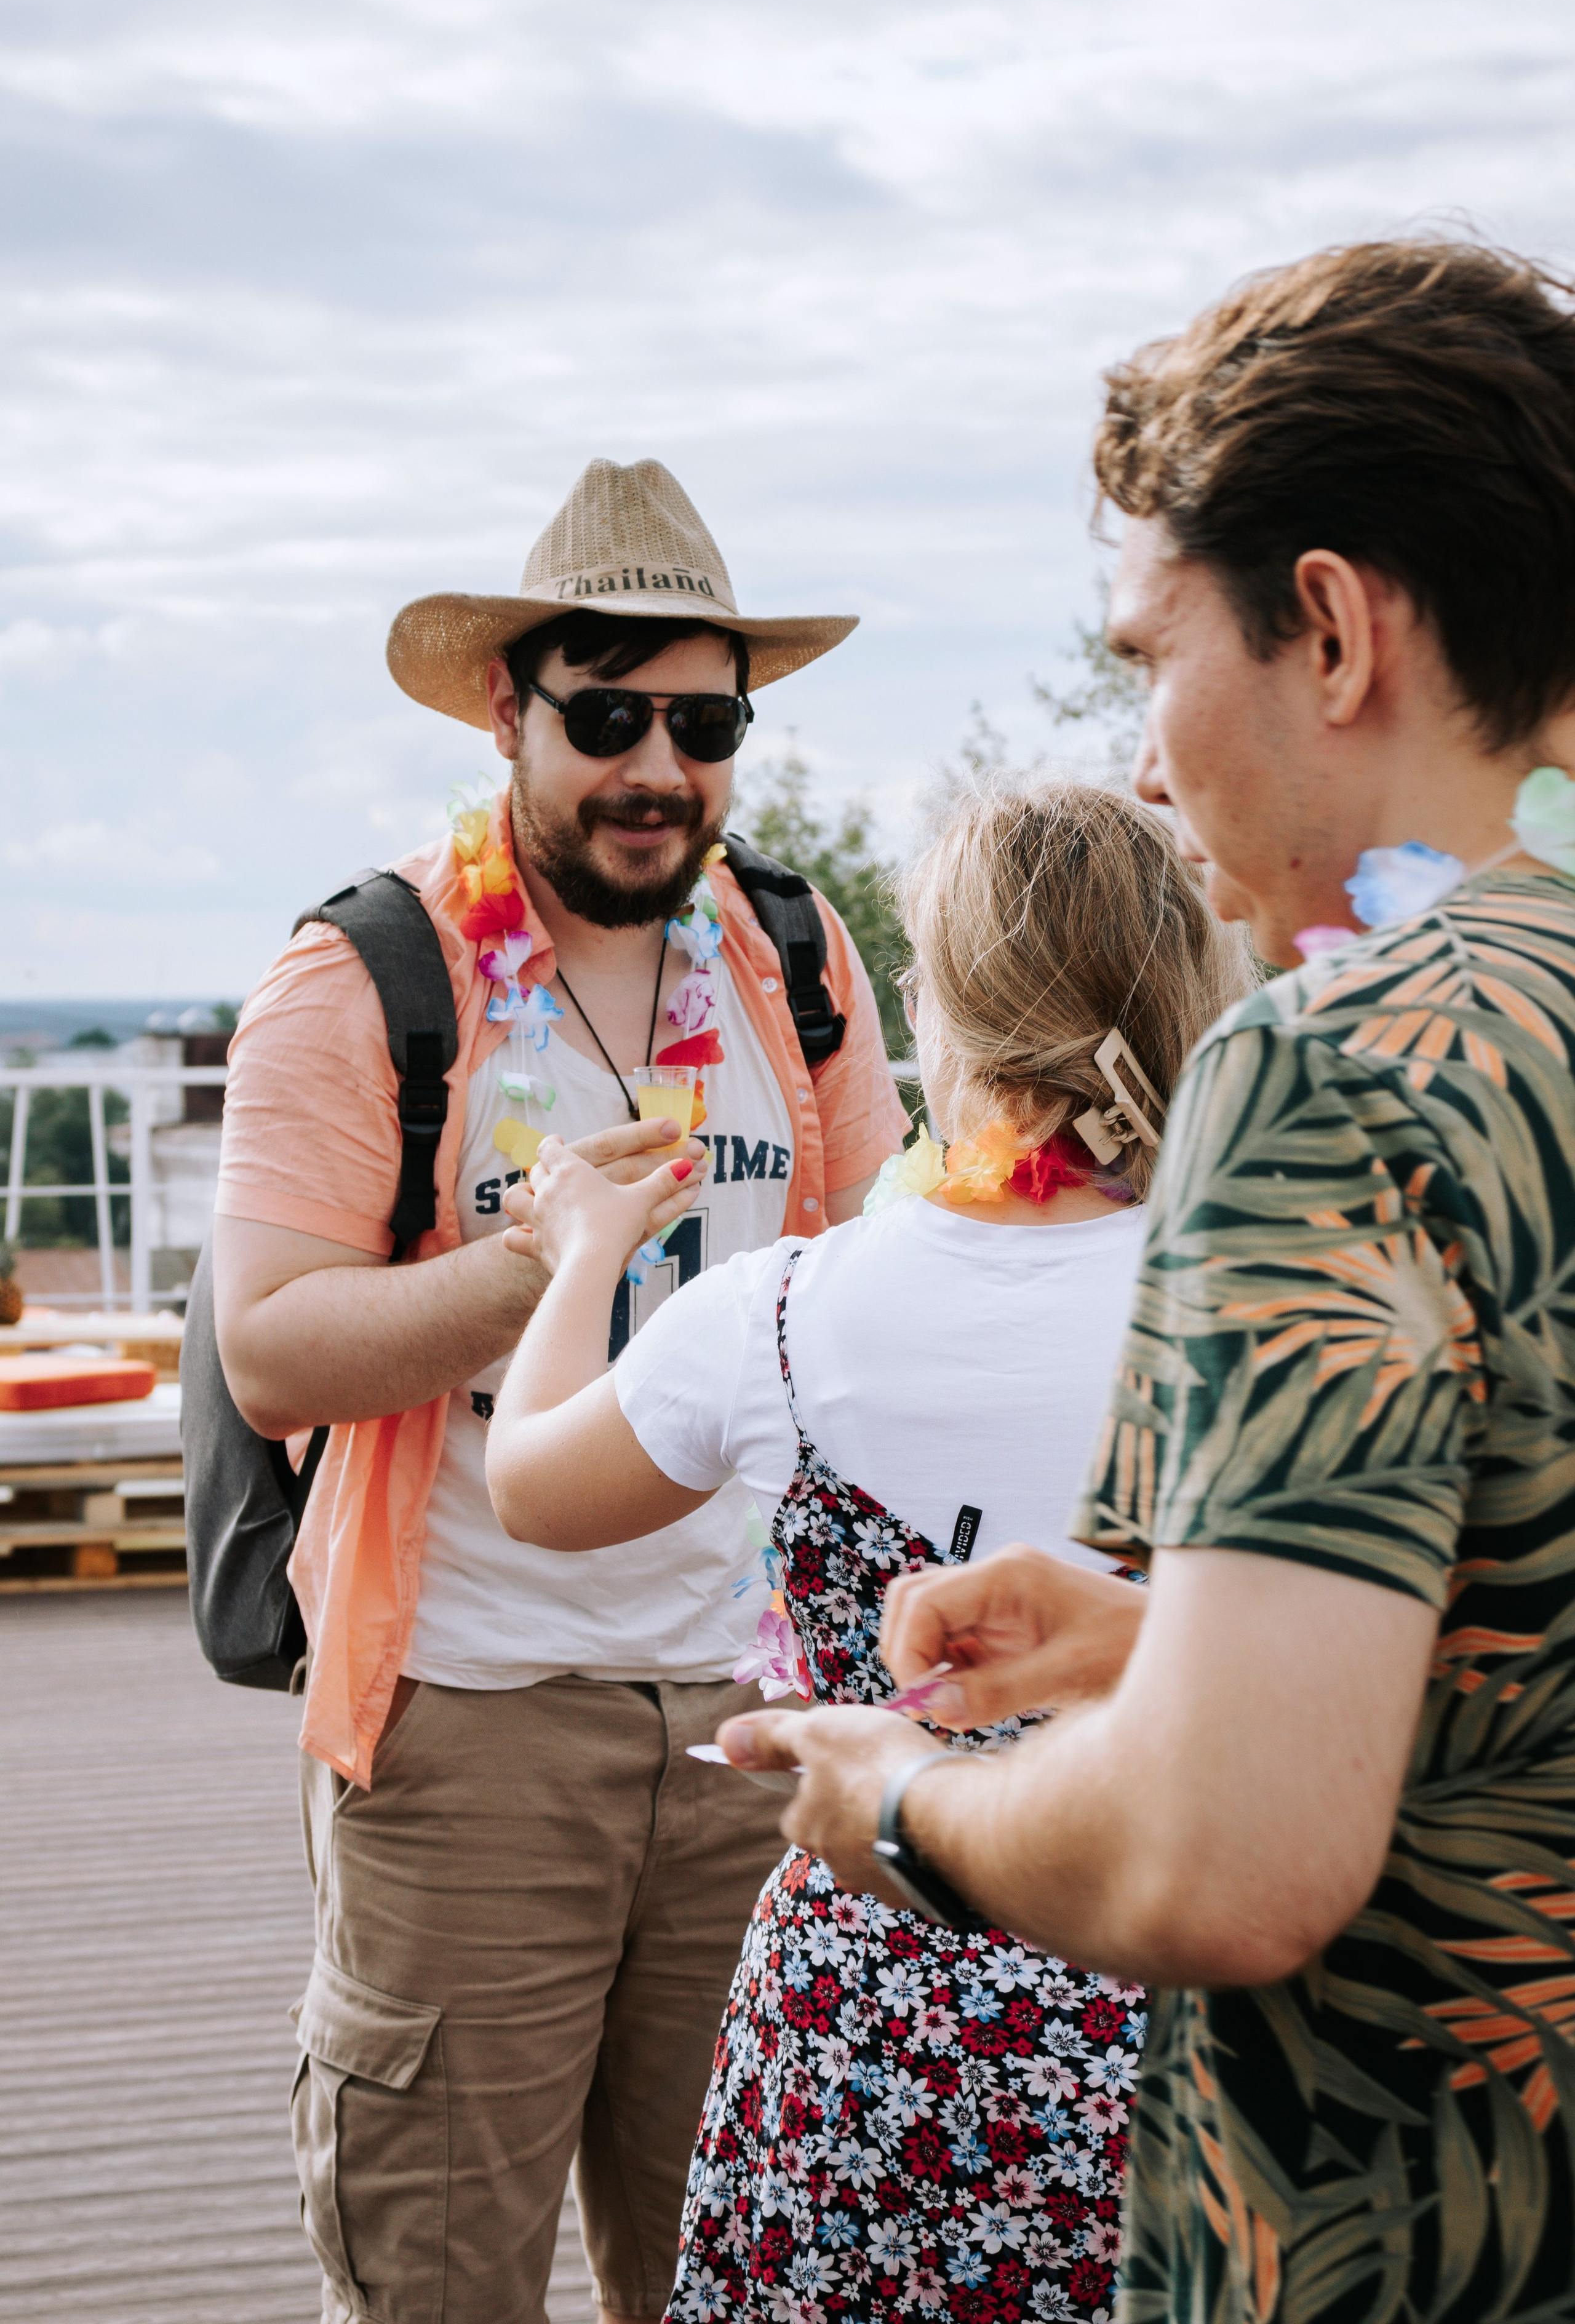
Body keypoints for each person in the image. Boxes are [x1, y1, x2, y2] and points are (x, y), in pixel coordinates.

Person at [720, 239, 1575, 2323]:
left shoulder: (1337, 1066)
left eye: (1142, 659)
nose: (1140, 756)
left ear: (1331, 627)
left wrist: (901, 1801)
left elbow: (1230, 1859)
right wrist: (1166, 1632)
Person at [210, 455, 909, 2324]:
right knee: (443, 2278)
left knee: (736, 2274)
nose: (660, 765)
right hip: (471, 1731)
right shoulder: (367, 976)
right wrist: (533, 1262)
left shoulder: (798, 959)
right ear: (507, 715)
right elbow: (269, 1343)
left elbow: (873, 1280)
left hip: (751, 1720)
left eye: (705, 718)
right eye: (607, 713)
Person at [484, 778, 1250, 2324]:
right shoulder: (1280, 1301)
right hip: (1198, 2005)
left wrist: (582, 1255)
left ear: (935, 1009)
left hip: (869, 2016)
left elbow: (531, 1485)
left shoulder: (774, 1311)